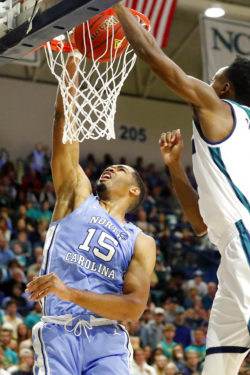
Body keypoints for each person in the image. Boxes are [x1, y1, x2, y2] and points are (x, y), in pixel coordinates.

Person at [114, 3, 250, 375]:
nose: (204, 87)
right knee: (219, 364)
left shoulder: (222, 110)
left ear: (223, 89)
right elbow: (201, 225)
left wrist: (115, 7)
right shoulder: (232, 141)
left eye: (212, 81)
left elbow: (155, 59)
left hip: (246, 241)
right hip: (231, 249)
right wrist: (175, 167)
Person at [25, 54, 156, 374]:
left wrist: (68, 291)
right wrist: (70, 71)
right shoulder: (77, 196)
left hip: (107, 338)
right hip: (58, 331)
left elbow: (134, 307)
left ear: (135, 190)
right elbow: (63, 125)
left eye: (122, 169)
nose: (112, 167)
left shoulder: (141, 241)